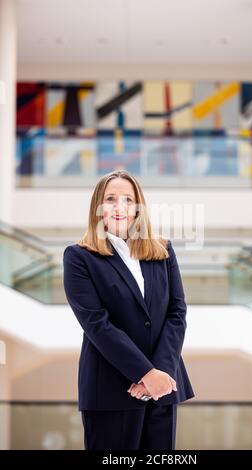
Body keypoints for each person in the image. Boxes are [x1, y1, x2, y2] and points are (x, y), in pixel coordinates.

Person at [63, 169, 195, 450]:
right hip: (110, 389)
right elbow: (97, 324)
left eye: (128, 199)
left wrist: (159, 373)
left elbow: (177, 313)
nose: (120, 207)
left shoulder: (163, 250)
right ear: (98, 208)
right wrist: (146, 374)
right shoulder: (79, 257)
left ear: (138, 207)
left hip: (163, 388)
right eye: (110, 199)